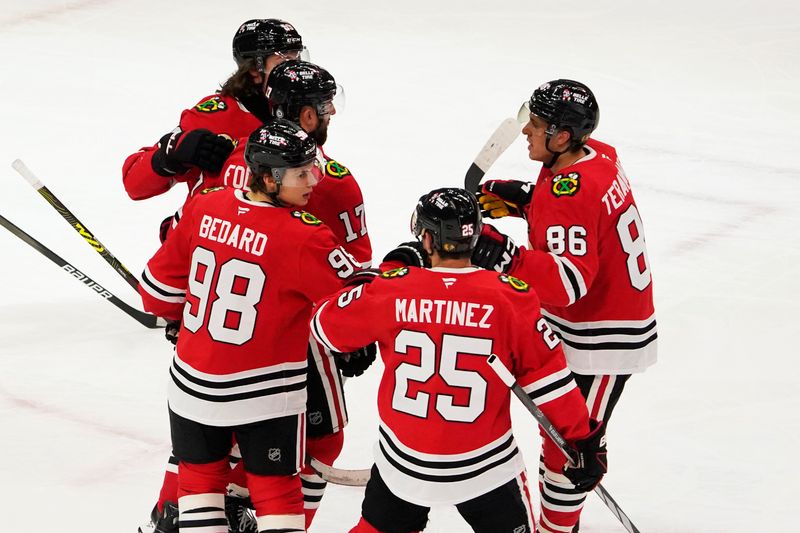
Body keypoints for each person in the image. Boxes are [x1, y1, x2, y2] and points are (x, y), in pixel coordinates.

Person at [310, 188, 607, 533]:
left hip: (405, 465)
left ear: (426, 239)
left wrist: (377, 277)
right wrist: (582, 438)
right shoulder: (511, 296)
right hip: (484, 469)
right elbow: (550, 382)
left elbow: (324, 326)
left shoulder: (392, 289)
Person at [167, 60, 372, 529]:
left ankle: (185, 513)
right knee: (321, 440)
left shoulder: (240, 156)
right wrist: (359, 335)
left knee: (204, 441)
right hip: (291, 340)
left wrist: (183, 306)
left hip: (208, 331)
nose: (331, 112)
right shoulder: (332, 180)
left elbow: (186, 235)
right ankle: (269, 517)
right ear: (305, 116)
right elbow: (354, 273)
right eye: (324, 106)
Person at [471, 79, 657, 531]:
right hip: (593, 322)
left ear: (561, 137)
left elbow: (569, 282)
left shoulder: (567, 191)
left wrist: (507, 255)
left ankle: (557, 528)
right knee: (563, 434)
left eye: (536, 126)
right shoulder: (598, 155)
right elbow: (578, 205)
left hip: (603, 338)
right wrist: (528, 200)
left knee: (570, 447)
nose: (526, 134)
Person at [122, 18, 306, 241]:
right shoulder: (216, 115)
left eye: (297, 56)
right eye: (284, 59)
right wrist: (174, 154)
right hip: (212, 251)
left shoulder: (298, 110)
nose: (295, 67)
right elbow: (134, 183)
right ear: (254, 70)